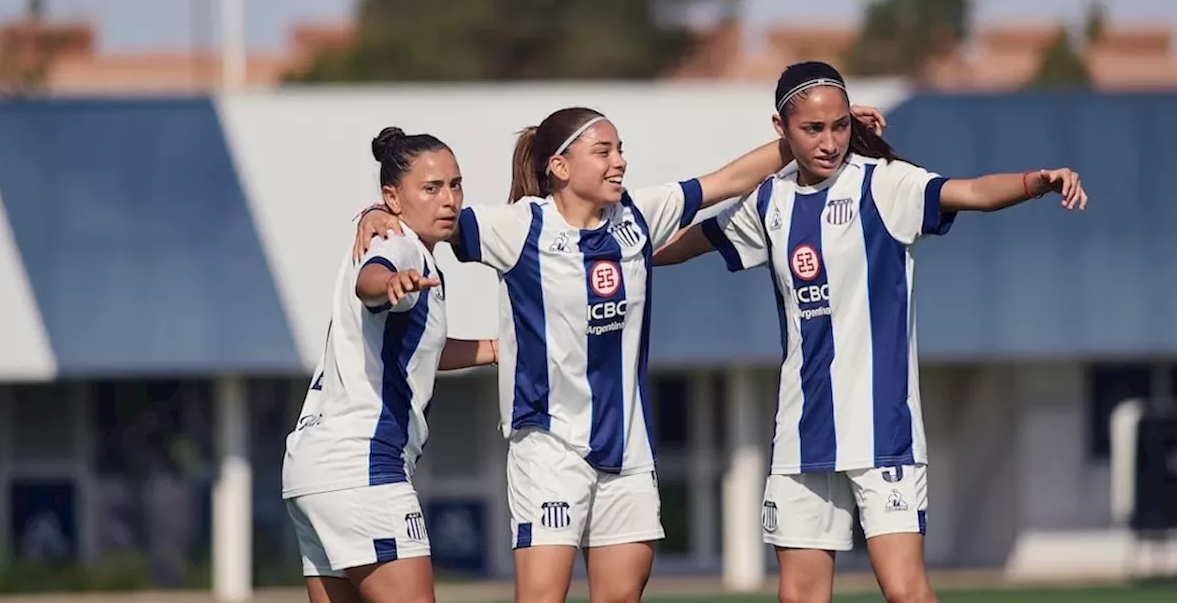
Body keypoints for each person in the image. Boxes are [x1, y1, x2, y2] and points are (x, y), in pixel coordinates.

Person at [352, 102, 887, 603]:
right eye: (604, 151)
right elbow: (428, 222)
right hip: (548, 450)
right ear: (560, 166)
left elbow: (726, 180)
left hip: (629, 454)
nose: (620, 162)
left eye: (620, 149)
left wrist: (807, 130)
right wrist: (378, 213)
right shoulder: (519, 227)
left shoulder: (638, 216)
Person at [652, 61, 1087, 603]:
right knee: (800, 596)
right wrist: (619, 246)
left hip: (884, 429)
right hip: (801, 432)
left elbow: (972, 191)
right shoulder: (770, 201)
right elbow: (687, 245)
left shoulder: (884, 183)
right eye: (813, 129)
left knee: (904, 590)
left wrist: (1035, 183)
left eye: (839, 125)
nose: (830, 141)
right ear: (780, 129)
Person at [282, 127, 499, 603]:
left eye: (455, 184)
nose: (449, 199)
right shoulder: (397, 243)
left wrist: (500, 349)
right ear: (391, 197)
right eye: (431, 187)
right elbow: (370, 280)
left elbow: (426, 352)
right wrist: (389, 282)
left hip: (312, 467)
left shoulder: (413, 252)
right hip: (361, 464)